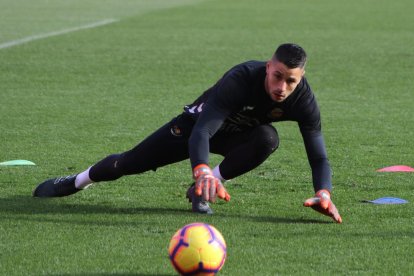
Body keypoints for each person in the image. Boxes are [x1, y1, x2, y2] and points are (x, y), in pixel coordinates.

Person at [33, 43, 342, 223]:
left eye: (291, 81)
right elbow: (203, 130)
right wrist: (201, 168)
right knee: (126, 164)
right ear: (267, 67)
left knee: (267, 139)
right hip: (194, 129)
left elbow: (318, 155)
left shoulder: (303, 101)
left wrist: (323, 193)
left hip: (237, 136)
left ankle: (204, 189)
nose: (282, 87)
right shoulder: (240, 79)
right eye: (278, 76)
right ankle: (75, 182)